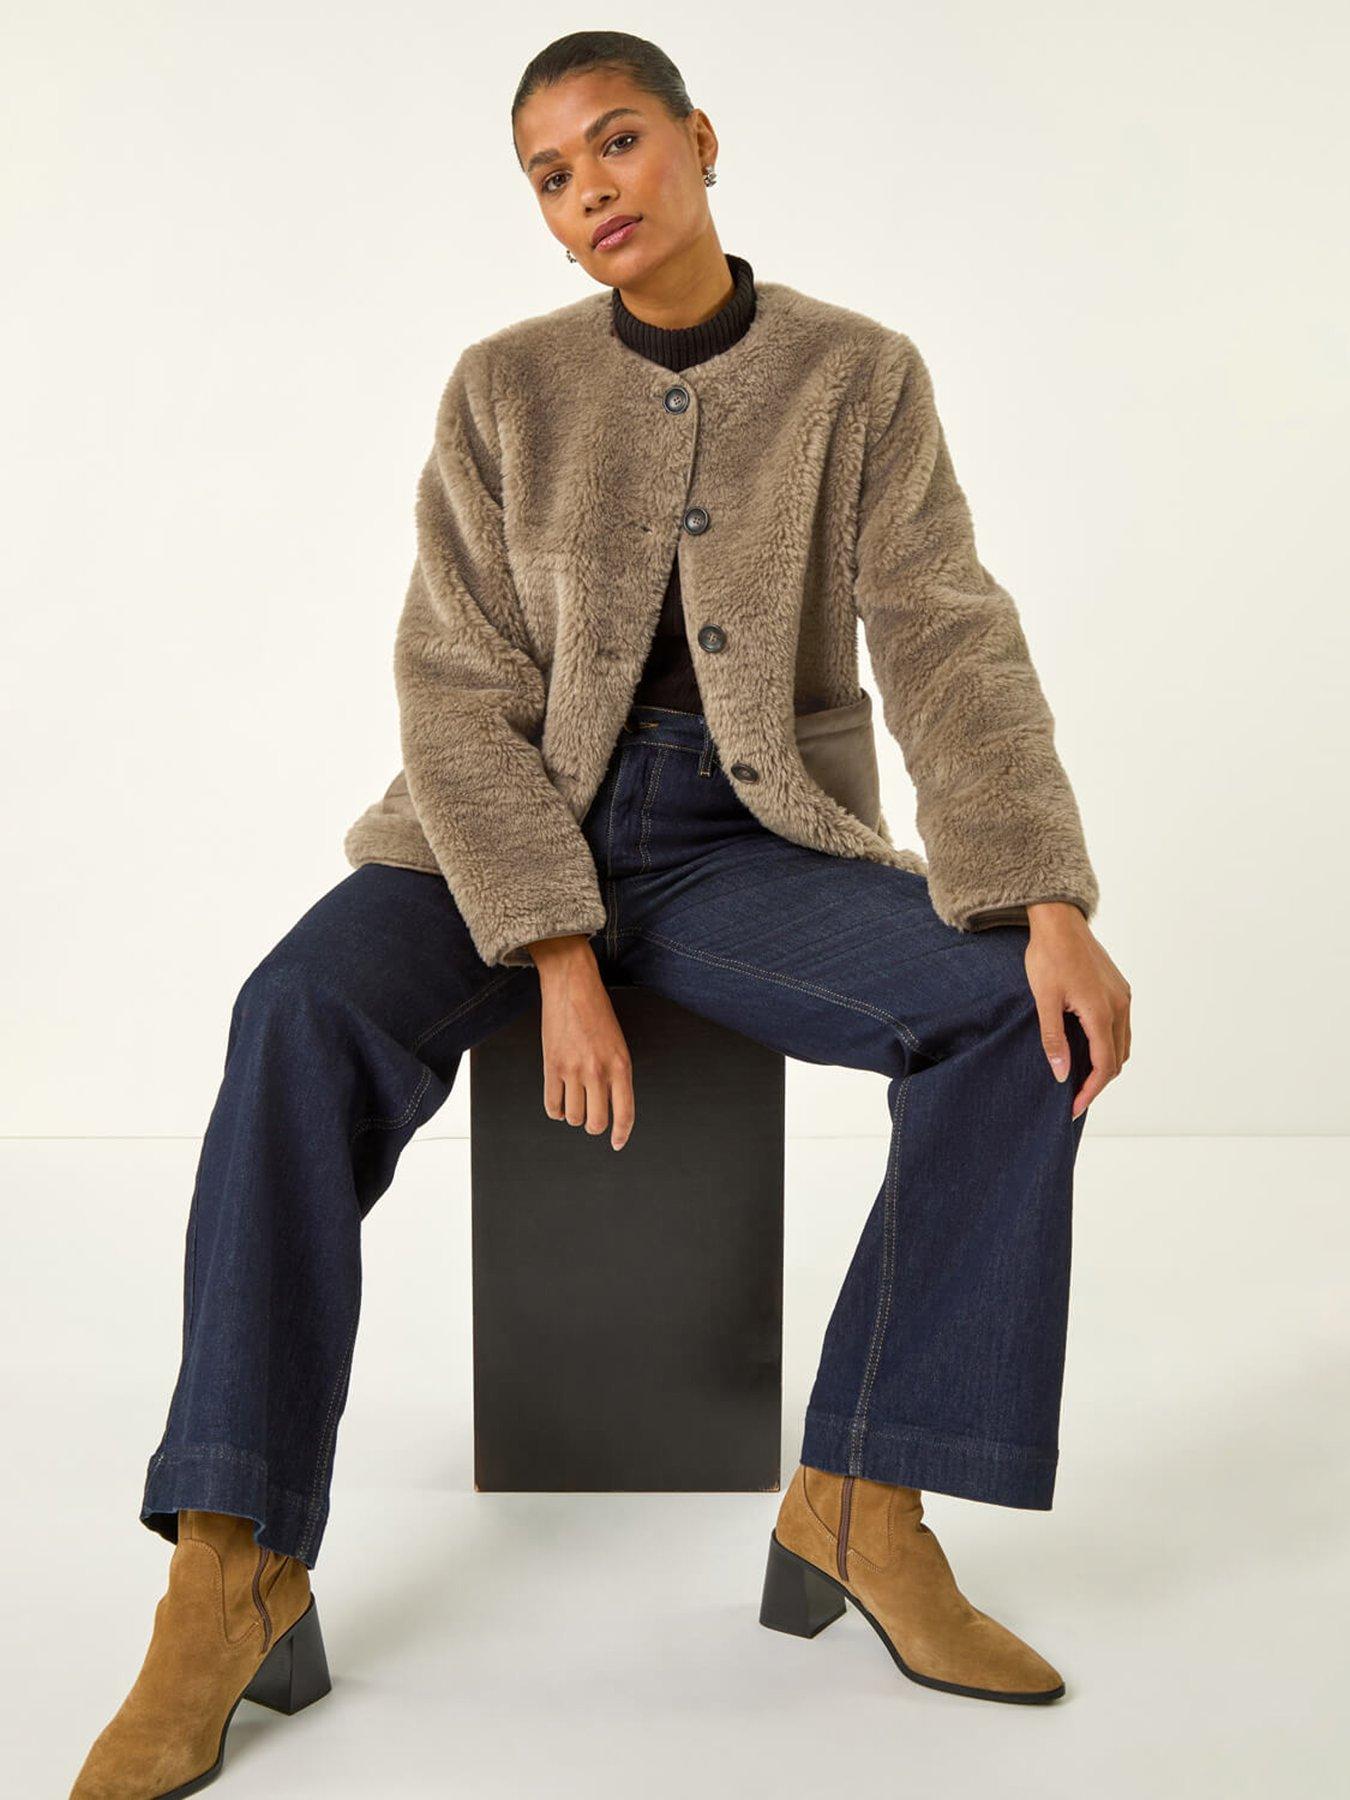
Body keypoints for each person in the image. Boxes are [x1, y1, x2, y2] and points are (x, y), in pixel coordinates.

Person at [70, 27, 1132, 1797]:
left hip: (741, 839)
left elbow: (944, 631)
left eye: (616, 144)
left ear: (700, 141)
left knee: (1013, 1019)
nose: (589, 194)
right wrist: (555, 950)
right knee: (294, 1011)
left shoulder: (857, 373)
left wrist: (1041, 895)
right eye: (550, 177)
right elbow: (450, 686)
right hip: (493, 831)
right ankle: (226, 1568)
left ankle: (863, 1501)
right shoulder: (502, 386)